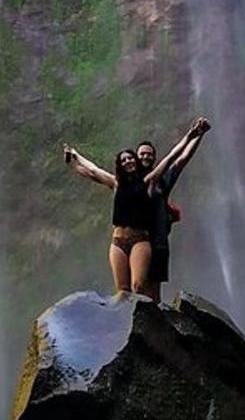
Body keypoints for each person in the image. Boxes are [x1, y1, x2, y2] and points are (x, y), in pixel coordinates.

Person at [63, 118, 210, 296]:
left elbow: (175, 158)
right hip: (120, 241)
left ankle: (153, 319)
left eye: (146, 155)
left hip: (150, 240)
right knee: (124, 291)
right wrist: (74, 157)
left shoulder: (154, 181)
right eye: (127, 159)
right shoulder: (117, 183)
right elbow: (92, 171)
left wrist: (194, 136)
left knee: (144, 288)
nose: (131, 161)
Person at [136, 117, 209, 301]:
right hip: (137, 242)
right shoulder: (129, 182)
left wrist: (199, 135)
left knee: (154, 290)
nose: (145, 156)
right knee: (136, 287)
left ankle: (155, 326)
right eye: (142, 154)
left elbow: (183, 159)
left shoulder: (162, 182)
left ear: (154, 158)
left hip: (159, 242)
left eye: (149, 154)